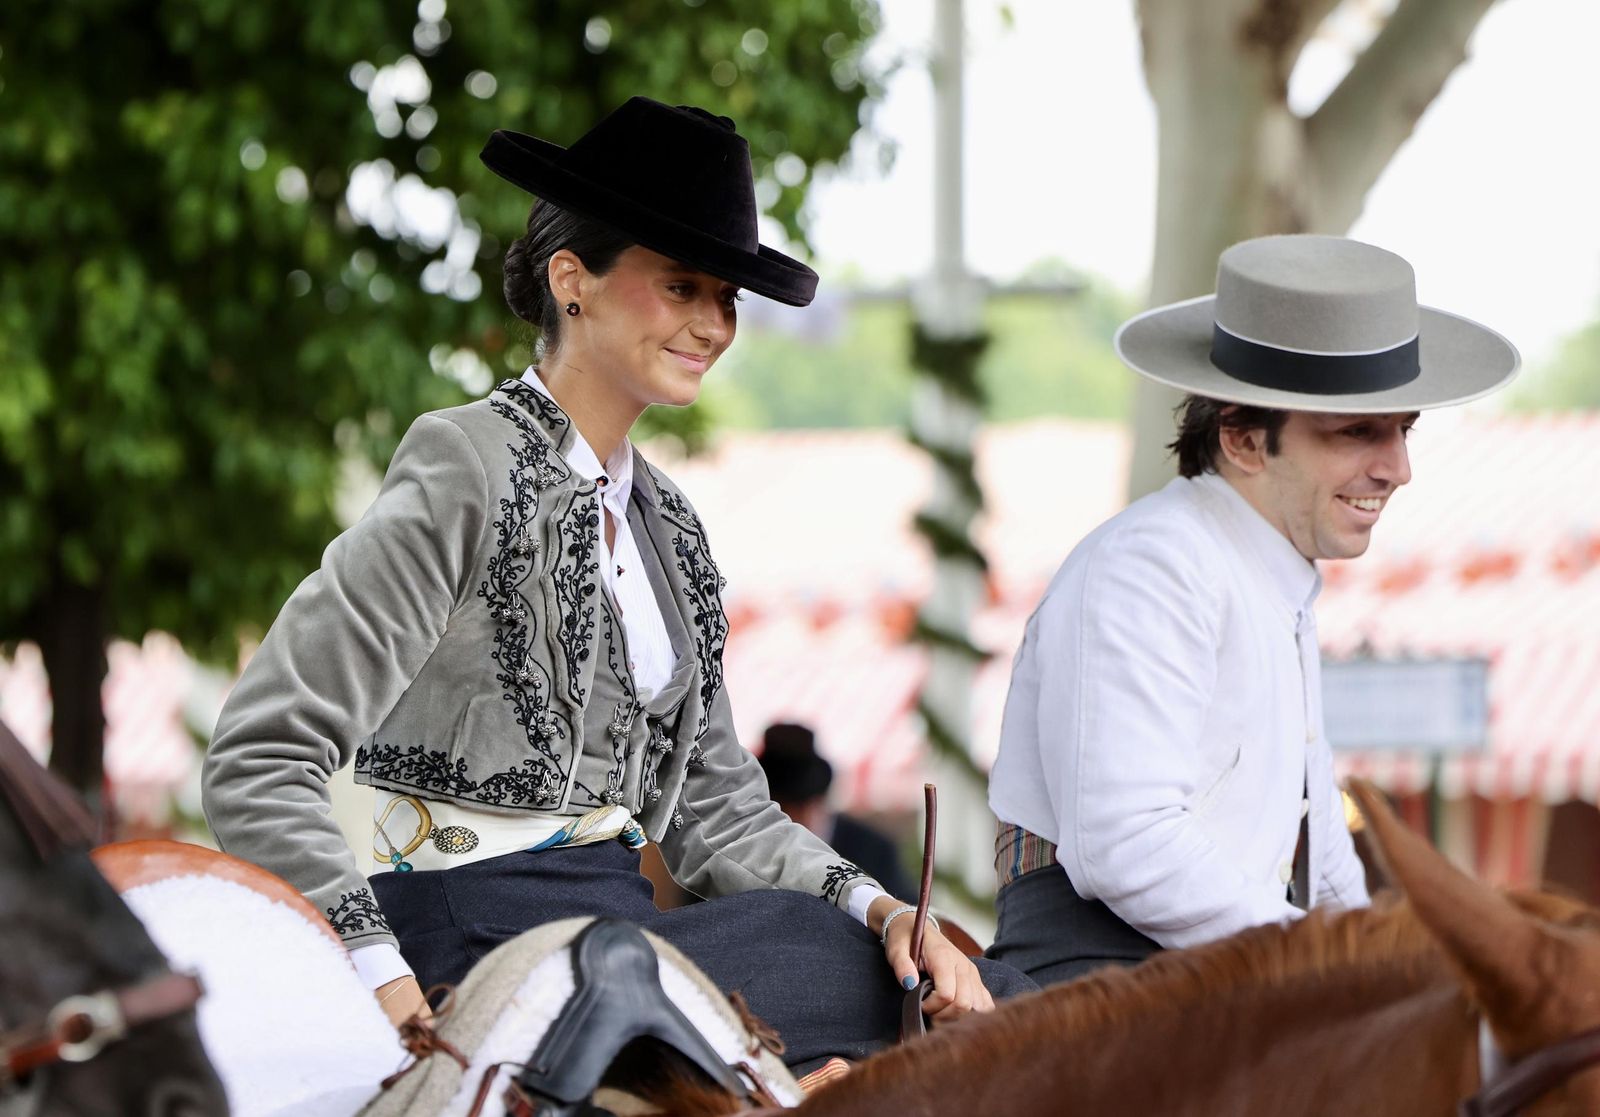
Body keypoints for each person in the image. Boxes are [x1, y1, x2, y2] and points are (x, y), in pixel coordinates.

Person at [203, 97, 1031, 1070]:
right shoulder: (463, 464)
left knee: (969, 988)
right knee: (807, 981)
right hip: (466, 936)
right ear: (571, 281)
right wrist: (376, 971)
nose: (714, 324)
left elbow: (718, 808)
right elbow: (259, 755)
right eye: (681, 286)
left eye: (725, 297)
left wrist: (886, 910)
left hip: (624, 930)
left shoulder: (671, 528)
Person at [985, 234, 1520, 986]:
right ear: (1241, 437)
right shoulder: (1153, 563)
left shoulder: (1268, 579)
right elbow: (1125, 844)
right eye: (1357, 430)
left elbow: (1324, 849)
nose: (1398, 467)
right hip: (1098, 995)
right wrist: (1336, 957)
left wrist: (1387, 961)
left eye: (1403, 429)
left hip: (1214, 990)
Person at [758, 722, 916, 902]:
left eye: (788, 807)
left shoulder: (874, 851)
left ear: (811, 804)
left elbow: (907, 908)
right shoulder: (756, 848)